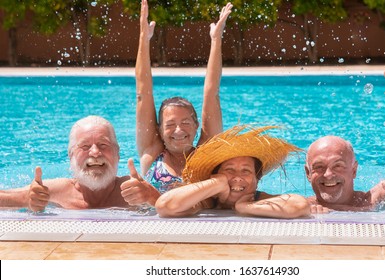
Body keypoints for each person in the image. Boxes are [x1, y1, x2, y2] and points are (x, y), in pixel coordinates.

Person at [305, 62, 385, 212]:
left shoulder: (375, 202)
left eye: (338, 165)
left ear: (354, 170)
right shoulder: (298, 206)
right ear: (308, 173)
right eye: (319, 167)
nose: (328, 175)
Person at [135, 0, 232, 194]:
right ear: (159, 130)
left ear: (197, 126)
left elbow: (211, 94)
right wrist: (144, 38)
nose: (178, 130)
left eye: (186, 123)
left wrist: (216, 39)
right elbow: (142, 93)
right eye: (170, 125)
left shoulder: (206, 153)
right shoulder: (151, 152)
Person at [0, 116, 160, 211]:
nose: (95, 152)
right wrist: (25, 199)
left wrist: (153, 197)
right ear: (71, 157)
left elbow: (178, 206)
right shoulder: (56, 192)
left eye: (103, 145)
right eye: (85, 146)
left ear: (118, 154)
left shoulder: (134, 189)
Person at [155, 125, 311, 219]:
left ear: (257, 180)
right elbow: (164, 206)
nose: (238, 177)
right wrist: (217, 183)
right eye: (229, 170)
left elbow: (300, 205)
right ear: (214, 174)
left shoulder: (257, 198)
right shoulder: (205, 200)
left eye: (246, 171)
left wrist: (244, 208)